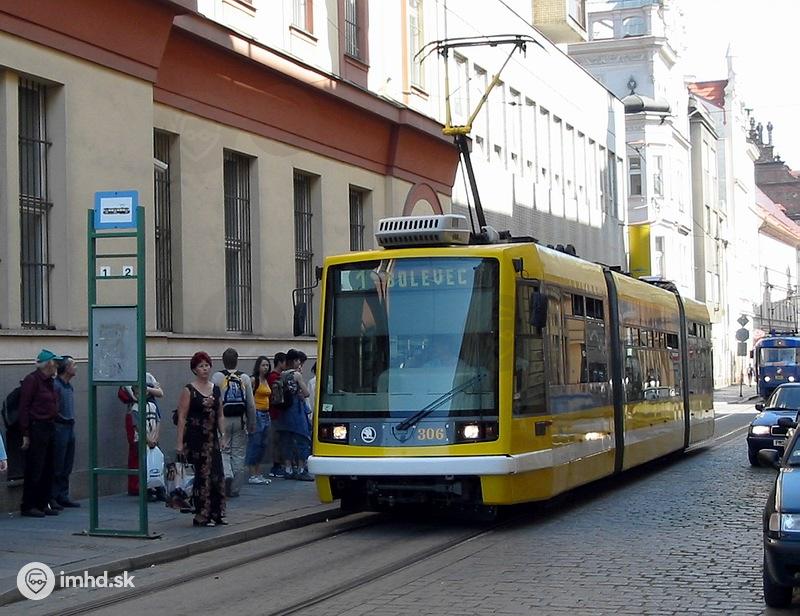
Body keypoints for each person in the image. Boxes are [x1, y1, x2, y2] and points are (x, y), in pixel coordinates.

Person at [175, 351, 226, 527]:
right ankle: (202, 514)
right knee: (202, 476)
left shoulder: (216, 389)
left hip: (212, 439)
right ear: (194, 369)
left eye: (207, 365)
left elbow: (220, 414)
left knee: (217, 475)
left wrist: (223, 435)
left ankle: (217, 513)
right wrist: (179, 443)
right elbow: (182, 416)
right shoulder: (189, 390)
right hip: (196, 439)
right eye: (200, 366)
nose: (205, 369)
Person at [19, 349, 63, 517]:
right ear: (48, 364)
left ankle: (43, 503)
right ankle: (29, 505)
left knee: (48, 467)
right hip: (37, 427)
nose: (57, 366)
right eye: (55, 363)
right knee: (35, 467)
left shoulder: (50, 381)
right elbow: (24, 406)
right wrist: (25, 432)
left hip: (50, 425)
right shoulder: (32, 380)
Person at [212, 348, 256, 498]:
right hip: (240, 420)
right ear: (237, 360)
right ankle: (235, 488)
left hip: (223, 419)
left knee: (224, 450)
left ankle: (226, 474)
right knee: (239, 453)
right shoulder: (244, 378)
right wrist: (252, 422)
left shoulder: (217, 377)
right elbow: (251, 404)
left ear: (223, 360)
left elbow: (214, 400)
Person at [123, 373, 164, 496]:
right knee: (143, 462)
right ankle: (145, 488)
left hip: (153, 437)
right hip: (142, 439)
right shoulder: (135, 408)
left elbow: (158, 420)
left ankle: (158, 487)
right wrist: (147, 439)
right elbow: (137, 426)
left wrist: (155, 436)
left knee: (156, 461)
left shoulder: (152, 405)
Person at [278, 349, 313, 481]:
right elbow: (306, 393)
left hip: (284, 412)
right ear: (294, 361)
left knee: (286, 441)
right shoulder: (296, 375)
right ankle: (301, 469)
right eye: (298, 360)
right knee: (302, 439)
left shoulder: (281, 375)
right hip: (296, 410)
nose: (299, 362)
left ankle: (288, 469)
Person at [51, 356, 80, 508]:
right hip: (60, 426)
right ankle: (53, 496)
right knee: (58, 463)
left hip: (69, 426)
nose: (76, 367)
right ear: (66, 368)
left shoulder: (69, 386)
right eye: (73, 364)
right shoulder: (56, 385)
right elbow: (54, 409)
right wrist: (61, 419)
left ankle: (63, 494)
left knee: (67, 463)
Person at [245, 355, 272, 485]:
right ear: (258, 366)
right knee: (255, 443)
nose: (265, 368)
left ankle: (258, 472)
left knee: (263, 444)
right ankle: (252, 473)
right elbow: (248, 397)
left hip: (266, 413)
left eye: (267, 365)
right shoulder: (253, 380)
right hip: (257, 413)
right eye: (263, 365)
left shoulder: (266, 380)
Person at [267, 352, 288, 478]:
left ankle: (279, 465)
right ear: (280, 362)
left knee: (279, 440)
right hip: (275, 412)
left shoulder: (275, 376)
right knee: (277, 440)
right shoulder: (274, 377)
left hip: (277, 412)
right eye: (285, 362)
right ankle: (276, 466)